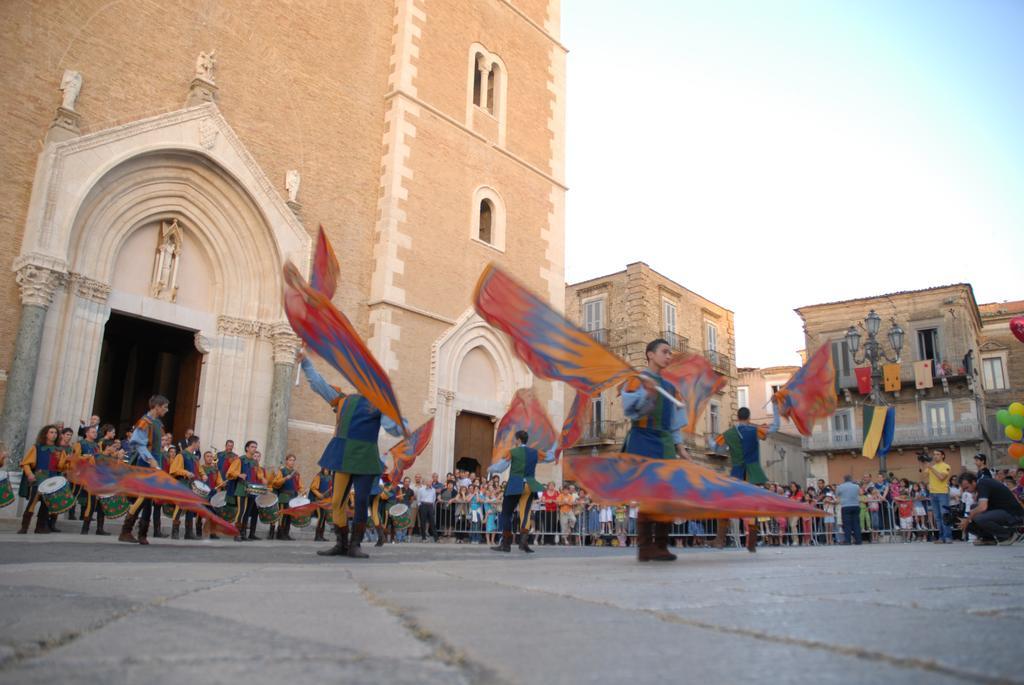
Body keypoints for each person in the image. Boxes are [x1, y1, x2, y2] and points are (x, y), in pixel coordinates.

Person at [300, 354, 403, 558]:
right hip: (342, 455)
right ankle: (341, 543)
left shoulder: (379, 404)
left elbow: (393, 427)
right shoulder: (343, 400)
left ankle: (355, 545)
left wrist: (398, 421)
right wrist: (304, 362)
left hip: (364, 457)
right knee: (337, 501)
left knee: (362, 502)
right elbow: (319, 384)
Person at [619, 338, 690, 562]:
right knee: (648, 495)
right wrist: (646, 394)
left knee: (666, 496)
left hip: (666, 442)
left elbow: (675, 422)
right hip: (642, 440)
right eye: (664, 352)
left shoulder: (671, 388)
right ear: (650, 354)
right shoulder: (636, 380)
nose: (669, 356)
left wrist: (681, 448)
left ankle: (661, 545)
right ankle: (644, 547)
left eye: (670, 353)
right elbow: (630, 411)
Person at [710, 407, 767, 552]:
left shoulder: (728, 434)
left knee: (727, 505)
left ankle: (720, 540)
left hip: (737, 473)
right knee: (753, 507)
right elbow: (771, 431)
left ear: (737, 417)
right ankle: (752, 544)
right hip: (753, 474)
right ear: (749, 417)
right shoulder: (756, 430)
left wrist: (714, 442)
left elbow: (716, 447)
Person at [488, 430, 552, 553]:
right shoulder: (534, 453)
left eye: (515, 440)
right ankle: (523, 543)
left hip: (514, 485)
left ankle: (506, 544)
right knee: (525, 513)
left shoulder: (512, 452)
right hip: (529, 485)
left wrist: (490, 468)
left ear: (518, 440)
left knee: (506, 513)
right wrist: (554, 449)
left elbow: (500, 468)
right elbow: (549, 458)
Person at [119, 395, 170, 545]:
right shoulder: (144, 421)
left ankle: (142, 534)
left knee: (148, 500)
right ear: (157, 407)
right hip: (145, 463)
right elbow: (137, 443)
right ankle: (126, 530)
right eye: (165, 407)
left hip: (154, 463)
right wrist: (150, 460)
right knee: (143, 496)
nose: (167, 410)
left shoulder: (157, 423)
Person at [957, 472, 1024, 545]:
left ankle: (1008, 535)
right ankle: (988, 538)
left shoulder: (983, 484)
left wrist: (967, 520)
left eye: (967, 487)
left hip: (1014, 514)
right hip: (1002, 511)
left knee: (978, 518)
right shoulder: (981, 484)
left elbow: (983, 507)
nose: (967, 491)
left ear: (973, 482)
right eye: (964, 489)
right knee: (973, 510)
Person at [18, 425, 61, 535]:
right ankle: (24, 527)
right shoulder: (36, 447)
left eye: (55, 432)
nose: (54, 434)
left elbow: (61, 466)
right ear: (45, 434)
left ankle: (40, 527)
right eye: (51, 432)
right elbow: (26, 463)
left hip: (52, 480)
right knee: (32, 503)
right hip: (39, 478)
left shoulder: (59, 450)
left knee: (46, 505)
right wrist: (30, 474)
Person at [69, 425, 110, 536]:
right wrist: (86, 457)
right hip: (83, 475)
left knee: (100, 503)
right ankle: (84, 528)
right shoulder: (80, 444)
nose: (95, 434)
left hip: (96, 476)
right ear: (87, 433)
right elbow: (75, 459)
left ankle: (99, 528)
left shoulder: (97, 445)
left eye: (95, 432)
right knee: (83, 499)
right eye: (92, 432)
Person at [169, 436, 202, 539]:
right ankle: (175, 532)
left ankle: (189, 533)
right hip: (183, 484)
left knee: (191, 509)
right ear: (194, 443)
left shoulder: (195, 457)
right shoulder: (181, 455)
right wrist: (186, 472)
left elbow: (200, 469)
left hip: (192, 485)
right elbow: (174, 469)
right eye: (198, 443)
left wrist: (204, 474)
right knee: (180, 507)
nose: (199, 445)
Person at [922, 449, 953, 543]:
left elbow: (941, 478)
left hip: (942, 493)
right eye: (934, 454)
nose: (935, 456)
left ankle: (948, 537)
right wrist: (923, 464)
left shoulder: (946, 466)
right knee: (938, 517)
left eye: (938, 454)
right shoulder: (933, 466)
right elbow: (923, 477)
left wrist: (931, 468)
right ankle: (941, 537)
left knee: (945, 516)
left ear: (943, 456)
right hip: (932, 493)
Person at [268, 454, 301, 541]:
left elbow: (299, 484)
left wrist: (301, 491)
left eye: (293, 460)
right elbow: (275, 482)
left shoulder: (296, 473)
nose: (292, 462)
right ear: (286, 461)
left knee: (290, 516)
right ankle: (280, 533)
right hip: (284, 496)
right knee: (283, 515)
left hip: (293, 496)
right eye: (290, 460)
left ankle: (286, 533)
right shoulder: (282, 471)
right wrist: (285, 478)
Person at [309, 466, 333, 542]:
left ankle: (321, 536)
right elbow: (313, 488)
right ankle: (317, 536)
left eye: (328, 468)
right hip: (319, 501)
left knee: (324, 517)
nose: (327, 469)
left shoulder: (331, 477)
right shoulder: (319, 476)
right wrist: (320, 495)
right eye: (326, 468)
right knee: (321, 517)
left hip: (327, 501)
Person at [836, 474, 861, 545]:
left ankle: (848, 540)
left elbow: (837, 494)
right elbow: (859, 493)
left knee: (847, 524)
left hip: (846, 506)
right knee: (856, 524)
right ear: (851, 479)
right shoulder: (856, 486)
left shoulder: (840, 486)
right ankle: (858, 540)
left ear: (844, 479)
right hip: (856, 505)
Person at [414, 473, 439, 542]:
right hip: (423, 505)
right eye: (429, 481)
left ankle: (436, 538)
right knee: (423, 522)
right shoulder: (421, 489)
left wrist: (432, 505)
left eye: (431, 481)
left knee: (432, 522)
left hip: (430, 505)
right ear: (425, 482)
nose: (430, 482)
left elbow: (434, 499)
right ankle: (423, 538)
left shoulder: (433, 490)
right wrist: (420, 505)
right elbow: (418, 499)